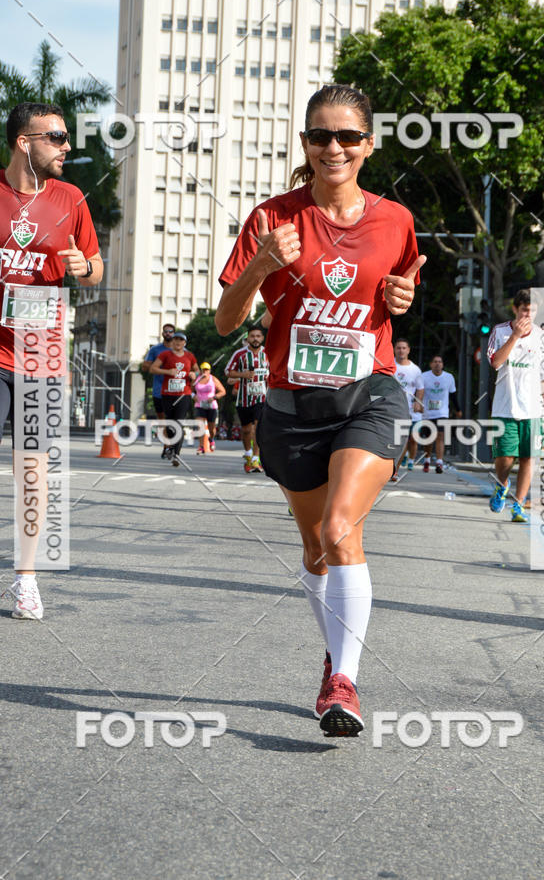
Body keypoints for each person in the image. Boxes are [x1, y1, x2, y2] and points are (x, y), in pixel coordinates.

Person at [215, 84, 425, 737]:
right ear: (305, 143)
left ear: (369, 145)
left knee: (339, 529)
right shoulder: (271, 218)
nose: (334, 147)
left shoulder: (396, 220)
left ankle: (344, 682)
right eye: (320, 136)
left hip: (371, 395)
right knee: (314, 549)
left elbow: (400, 294)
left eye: (348, 136)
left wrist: (402, 301)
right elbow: (225, 321)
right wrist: (260, 265)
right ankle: (337, 654)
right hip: (292, 406)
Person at [0, 103, 103, 619]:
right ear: (24, 142)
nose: (67, 146)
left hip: (42, 355)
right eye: (57, 137)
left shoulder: (70, 198)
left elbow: (96, 268)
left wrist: (84, 266)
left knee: (33, 474)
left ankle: (26, 579)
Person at [487, 289, 544, 523]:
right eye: (524, 310)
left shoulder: (543, 337)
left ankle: (519, 505)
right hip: (505, 407)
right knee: (505, 457)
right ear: (515, 309)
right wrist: (515, 336)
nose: (528, 315)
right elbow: (495, 363)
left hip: (533, 409)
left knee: (528, 458)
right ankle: (502, 484)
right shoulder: (500, 331)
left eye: (532, 311)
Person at [149, 331, 199, 466]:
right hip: (167, 394)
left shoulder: (189, 356)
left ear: (185, 343)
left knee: (178, 423)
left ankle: (176, 455)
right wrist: (167, 371)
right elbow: (153, 369)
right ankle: (171, 446)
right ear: (172, 342)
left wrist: (194, 374)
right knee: (170, 425)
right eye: (175, 340)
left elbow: (197, 370)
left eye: (181, 340)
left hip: (184, 394)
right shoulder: (165, 355)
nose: (177, 342)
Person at [225, 327, 269, 473]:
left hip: (262, 397)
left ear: (262, 338)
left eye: (258, 336)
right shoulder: (240, 354)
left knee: (258, 427)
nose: (255, 339)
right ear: (248, 338)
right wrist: (243, 375)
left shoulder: (268, 353)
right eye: (252, 336)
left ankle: (256, 458)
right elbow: (228, 371)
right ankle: (248, 453)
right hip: (244, 399)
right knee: (246, 430)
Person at [421, 355, 462, 473]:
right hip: (427, 413)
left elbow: (453, 395)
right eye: (435, 362)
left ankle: (439, 462)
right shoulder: (424, 377)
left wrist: (458, 409)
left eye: (440, 362)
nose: (437, 364)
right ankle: (427, 459)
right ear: (431, 364)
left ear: (442, 364)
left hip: (442, 412)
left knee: (440, 435)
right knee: (429, 438)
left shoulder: (449, 377)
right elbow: (419, 392)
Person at [141, 322, 174, 457]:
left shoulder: (182, 350)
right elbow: (145, 367)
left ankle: (172, 444)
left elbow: (192, 368)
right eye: (166, 331)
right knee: (162, 420)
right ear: (162, 333)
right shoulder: (155, 350)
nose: (168, 333)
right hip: (159, 390)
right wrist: (157, 367)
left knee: (174, 419)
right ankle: (167, 445)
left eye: (170, 331)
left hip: (176, 391)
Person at [392, 338, 424, 472]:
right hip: (393, 408)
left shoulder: (415, 369)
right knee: (398, 439)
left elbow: (420, 388)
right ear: (394, 350)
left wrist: (418, 402)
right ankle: (394, 468)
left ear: (408, 350)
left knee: (412, 439)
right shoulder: (390, 365)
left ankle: (409, 461)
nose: (401, 350)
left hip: (410, 411)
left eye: (404, 348)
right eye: (398, 348)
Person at [193, 362, 226, 452]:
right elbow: (189, 389)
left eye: (207, 370)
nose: (205, 371)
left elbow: (223, 391)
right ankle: (201, 446)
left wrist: (214, 397)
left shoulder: (213, 379)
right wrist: (193, 396)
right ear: (200, 370)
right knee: (200, 425)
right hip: (199, 405)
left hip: (211, 406)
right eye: (203, 369)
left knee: (212, 428)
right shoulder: (197, 379)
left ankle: (211, 439)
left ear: (210, 370)